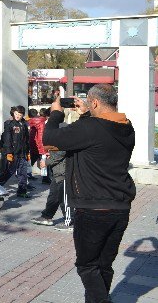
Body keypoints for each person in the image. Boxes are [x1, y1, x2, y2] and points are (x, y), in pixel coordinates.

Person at [43, 86, 135, 303]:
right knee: (103, 265)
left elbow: (50, 139)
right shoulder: (126, 126)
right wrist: (85, 114)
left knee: (87, 266)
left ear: (94, 103)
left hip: (93, 208)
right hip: (120, 207)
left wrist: (56, 113)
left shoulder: (91, 127)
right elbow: (100, 135)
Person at [0, 105, 31, 198]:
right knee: (8, 172)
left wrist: (27, 152)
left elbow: (27, 140)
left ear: (23, 115)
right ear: (13, 113)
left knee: (23, 173)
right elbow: (7, 140)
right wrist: (8, 152)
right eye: (16, 114)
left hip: (22, 153)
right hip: (13, 153)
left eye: (20, 114)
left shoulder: (24, 124)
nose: (17, 116)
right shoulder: (9, 124)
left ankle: (22, 191)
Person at [28, 108, 47, 182]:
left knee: (30, 161)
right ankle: (45, 178)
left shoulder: (28, 122)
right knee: (44, 162)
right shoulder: (42, 122)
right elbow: (41, 136)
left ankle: (28, 174)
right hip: (41, 145)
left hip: (32, 144)